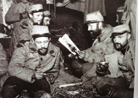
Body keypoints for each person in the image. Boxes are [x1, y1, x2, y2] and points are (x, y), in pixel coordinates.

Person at [1, 25, 59, 98]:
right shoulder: (22, 49)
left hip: (38, 81)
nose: (43, 46)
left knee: (43, 87)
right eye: (39, 42)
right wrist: (33, 74)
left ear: (49, 39)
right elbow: (13, 68)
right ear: (33, 40)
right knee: (9, 87)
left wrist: (50, 77)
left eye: (45, 42)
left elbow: (54, 70)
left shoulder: (55, 51)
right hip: (20, 78)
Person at [69, 11, 117, 81]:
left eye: (91, 25)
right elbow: (93, 49)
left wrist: (86, 57)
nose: (88, 29)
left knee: (82, 67)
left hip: (107, 67)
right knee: (75, 62)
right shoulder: (100, 34)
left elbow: (106, 59)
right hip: (96, 62)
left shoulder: (112, 37)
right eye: (88, 26)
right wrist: (82, 52)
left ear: (100, 24)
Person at [111, 24, 135, 89]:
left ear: (128, 36)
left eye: (120, 37)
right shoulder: (119, 47)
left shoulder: (134, 48)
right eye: (114, 37)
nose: (116, 40)